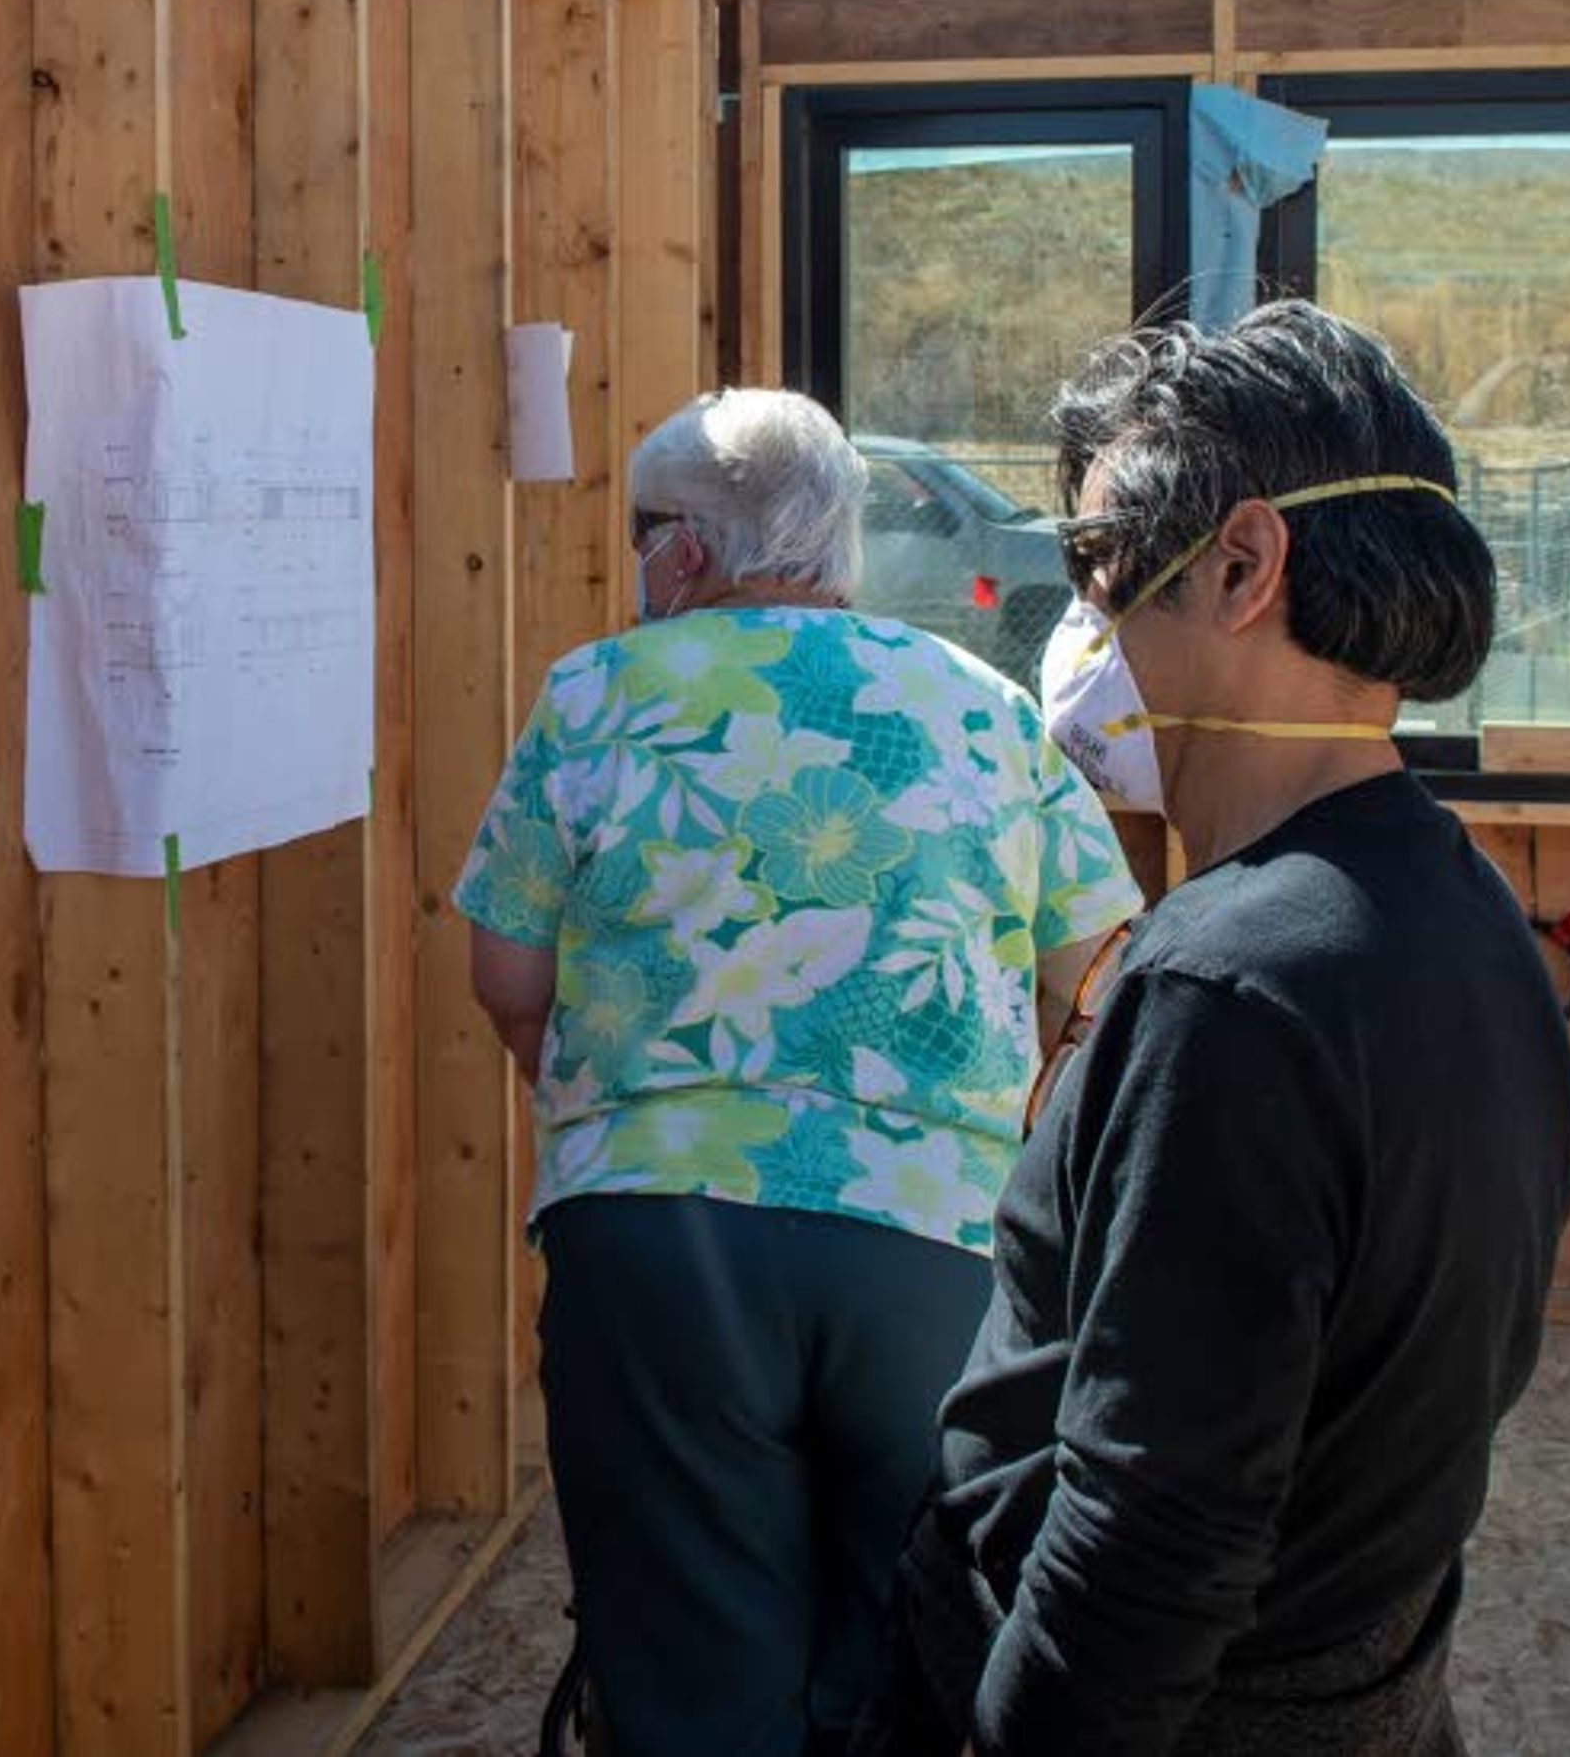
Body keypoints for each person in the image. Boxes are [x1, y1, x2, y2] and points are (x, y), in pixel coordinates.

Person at [873, 301, 1570, 1756]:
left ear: (1247, 564)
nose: (1077, 624)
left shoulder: (1230, 993)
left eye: (1094, 567)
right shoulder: (1451, 903)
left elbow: (1149, 1533)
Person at [453, 388, 1142, 1757]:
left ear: (686, 554)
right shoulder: (979, 707)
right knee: (905, 1639)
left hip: (656, 1235)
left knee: (684, 1650)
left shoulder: (595, 696)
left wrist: (613, 1098)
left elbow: (508, 978)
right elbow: (1103, 964)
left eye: (642, 532)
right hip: (934, 1246)